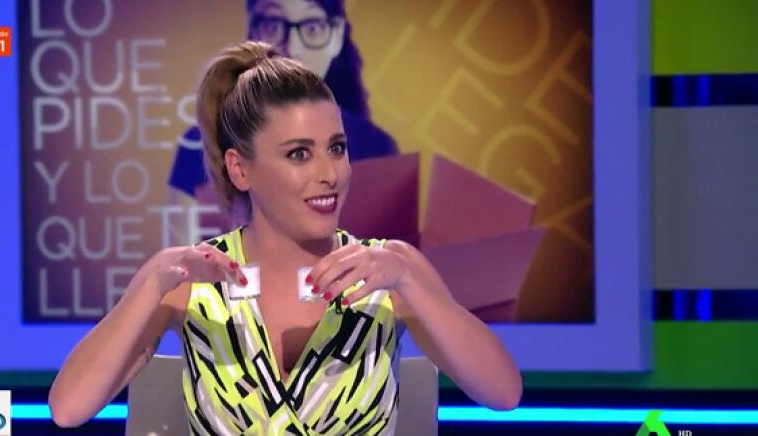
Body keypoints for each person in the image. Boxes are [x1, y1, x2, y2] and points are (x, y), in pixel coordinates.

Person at [50, 41, 521, 434]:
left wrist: (411, 282)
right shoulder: (190, 281)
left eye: (336, 148)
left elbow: (503, 393)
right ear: (240, 169)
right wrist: (153, 281)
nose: (329, 173)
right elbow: (69, 409)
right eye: (299, 154)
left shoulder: (389, 272)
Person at [168, 0, 397, 196]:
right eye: (274, 25)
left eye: (312, 27)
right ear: (253, 30)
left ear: (337, 34)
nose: (293, 49)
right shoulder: (199, 146)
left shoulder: (377, 147)